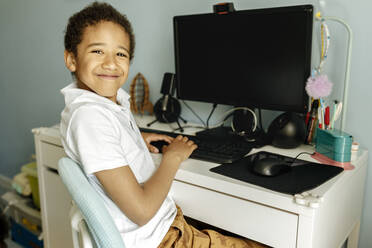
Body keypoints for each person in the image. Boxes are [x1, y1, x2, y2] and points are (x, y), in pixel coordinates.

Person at [60, 2, 267, 248]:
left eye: (121, 54)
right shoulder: (90, 119)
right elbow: (141, 210)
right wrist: (173, 158)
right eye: (97, 51)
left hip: (162, 231)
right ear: (71, 59)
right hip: (163, 240)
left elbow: (104, 136)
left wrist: (136, 138)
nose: (111, 63)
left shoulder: (91, 108)